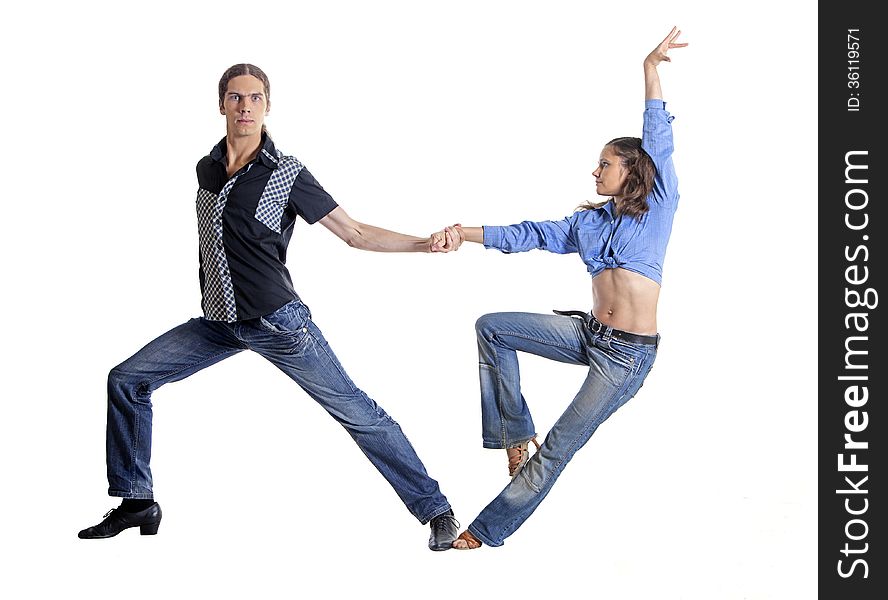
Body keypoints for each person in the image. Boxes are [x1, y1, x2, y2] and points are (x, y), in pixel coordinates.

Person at [78, 63, 463, 551]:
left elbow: (356, 233)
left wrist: (423, 244)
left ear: (267, 106)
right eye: (236, 98)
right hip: (218, 323)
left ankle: (436, 510)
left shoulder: (287, 173)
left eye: (255, 98)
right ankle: (137, 502)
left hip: (279, 324)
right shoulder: (207, 168)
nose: (245, 107)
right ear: (221, 104)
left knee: (358, 413)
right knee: (127, 380)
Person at [448, 28, 688, 549]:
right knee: (492, 328)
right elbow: (528, 234)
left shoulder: (658, 204)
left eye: (605, 163)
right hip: (589, 333)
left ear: (633, 169)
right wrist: (463, 234)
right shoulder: (588, 224)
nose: (595, 170)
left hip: (626, 360)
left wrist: (650, 68)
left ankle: (487, 530)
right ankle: (514, 434)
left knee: (557, 448)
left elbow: (657, 135)